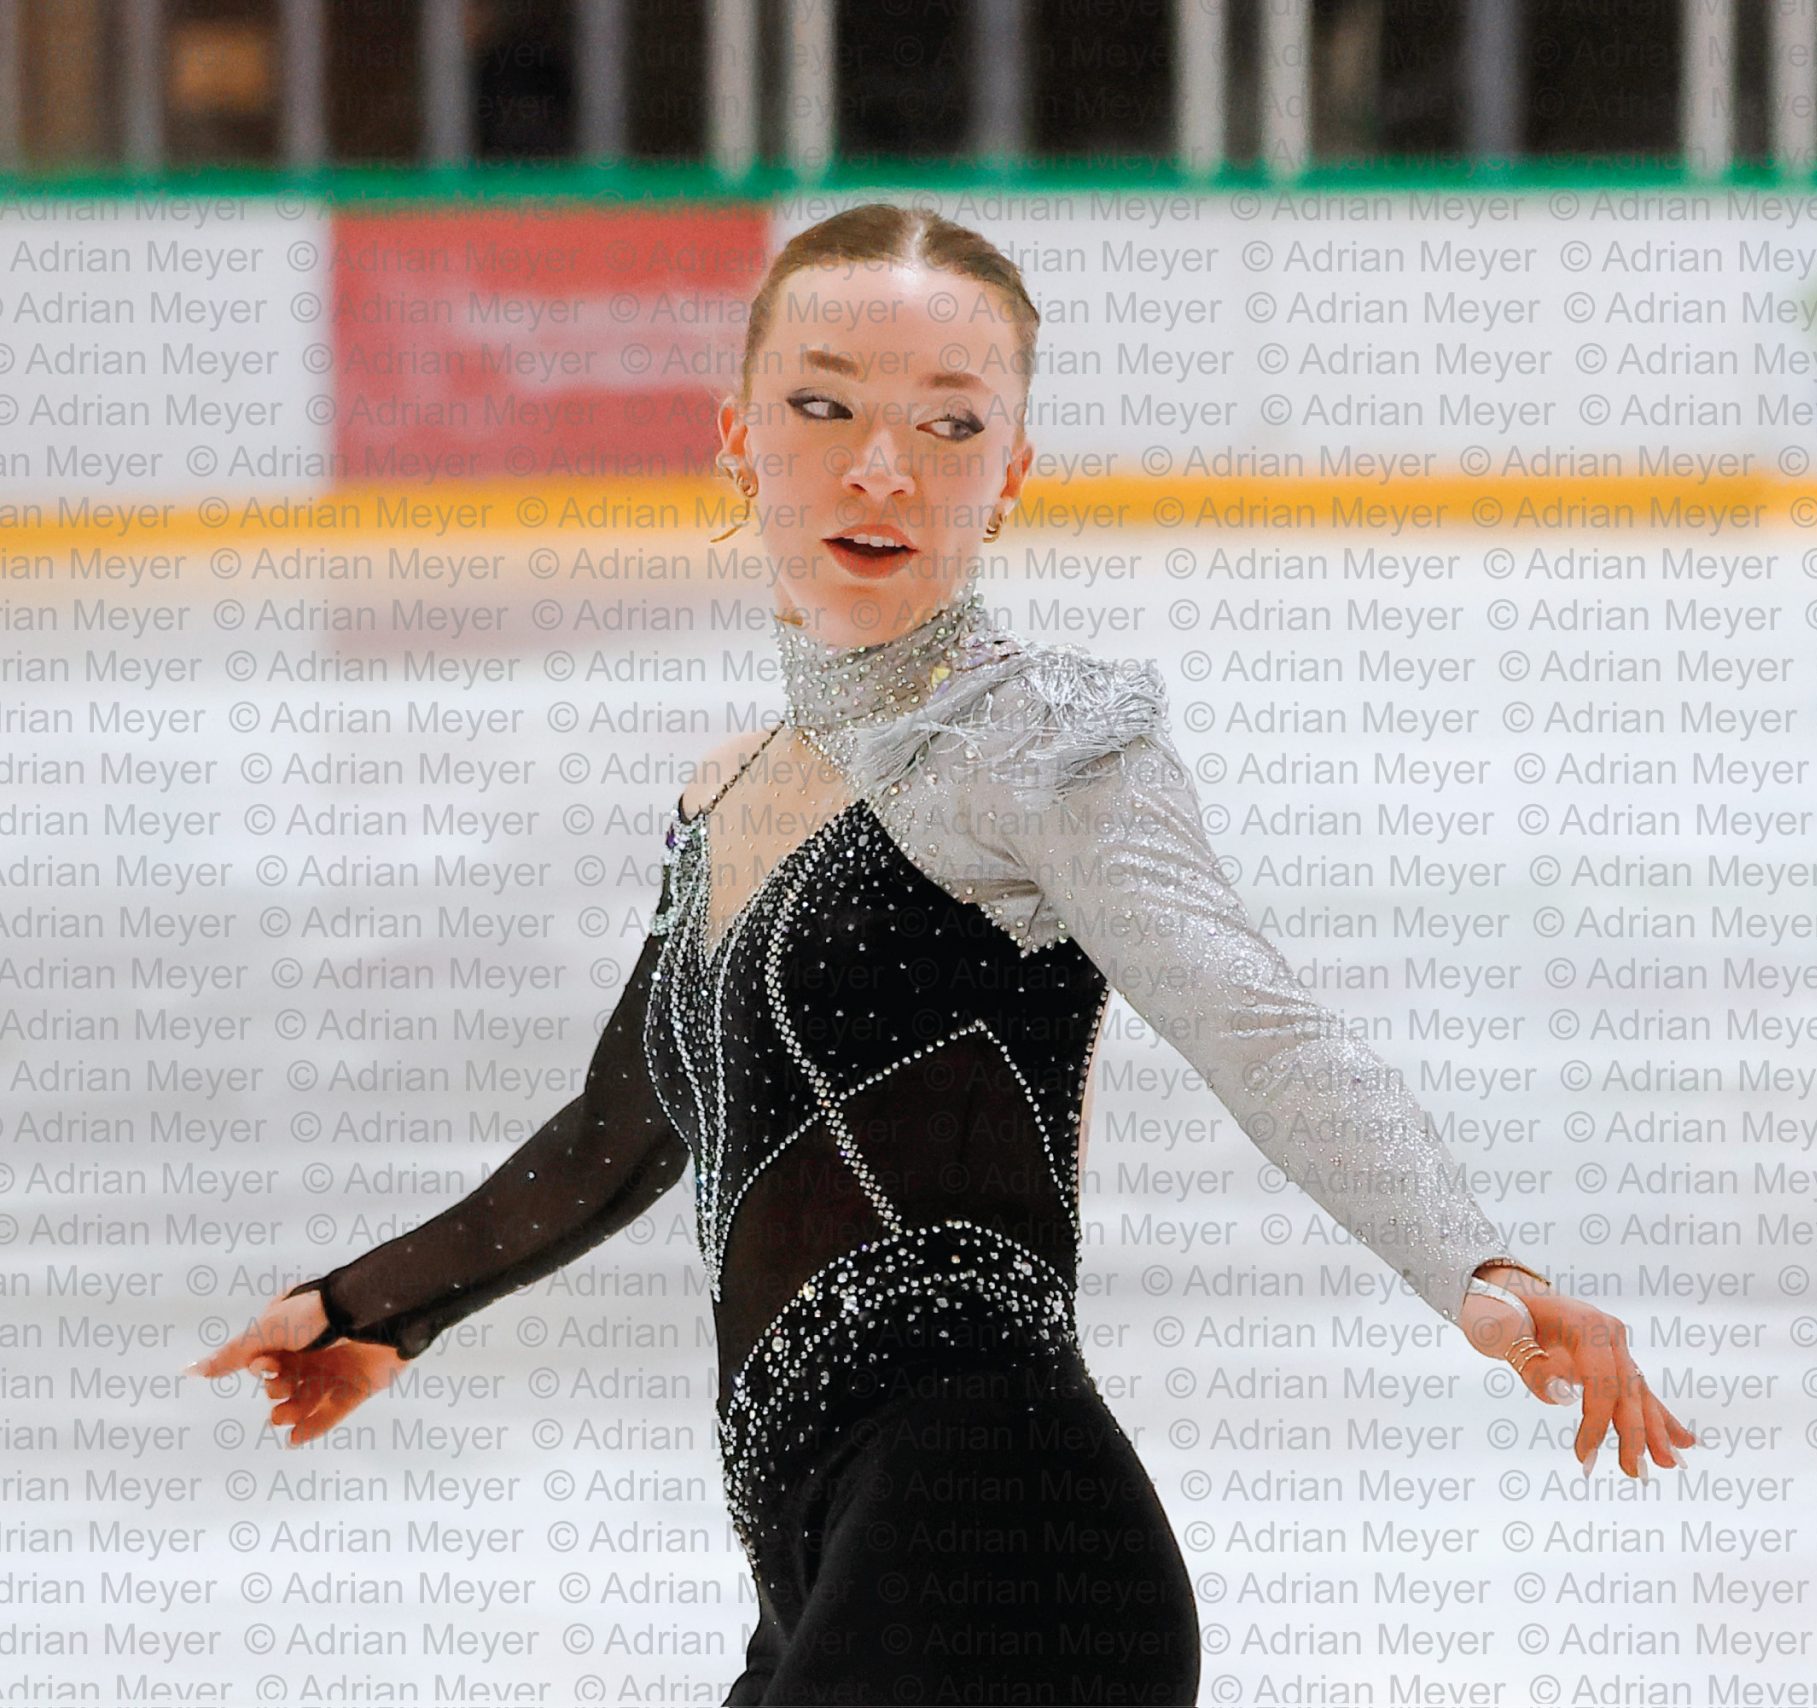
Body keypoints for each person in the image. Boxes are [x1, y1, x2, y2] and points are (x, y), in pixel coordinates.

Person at [188, 203, 1695, 1703]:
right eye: (824, 404)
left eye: (950, 425)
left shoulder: (1043, 749)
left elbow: (1256, 1019)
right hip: (831, 1566)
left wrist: (1468, 1258)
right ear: (739, 434)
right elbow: (619, 1126)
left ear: (1014, 470)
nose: (880, 467)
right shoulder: (724, 795)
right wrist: (371, 1308)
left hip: (998, 1545)